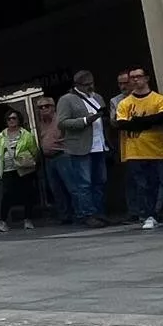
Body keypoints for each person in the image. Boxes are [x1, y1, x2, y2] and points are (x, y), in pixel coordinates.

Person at [115, 66, 163, 229]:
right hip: (135, 151)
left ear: (146, 78)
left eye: (139, 76)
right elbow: (121, 124)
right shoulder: (124, 103)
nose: (135, 80)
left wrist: (137, 123)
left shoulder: (159, 99)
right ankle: (150, 215)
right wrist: (148, 122)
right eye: (132, 78)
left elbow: (162, 118)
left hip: (158, 149)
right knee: (143, 186)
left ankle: (161, 212)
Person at [57, 70, 112, 227]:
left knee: (100, 181)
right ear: (77, 85)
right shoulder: (67, 100)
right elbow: (62, 122)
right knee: (84, 183)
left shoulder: (97, 97)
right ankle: (88, 214)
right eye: (86, 85)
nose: (90, 87)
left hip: (99, 145)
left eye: (92, 83)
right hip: (81, 147)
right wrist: (85, 120)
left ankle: (100, 213)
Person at [0, 109, 39, 232]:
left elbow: (34, 150)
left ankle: (28, 219)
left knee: (27, 193)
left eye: (14, 118)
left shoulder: (26, 134)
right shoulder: (1, 136)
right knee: (7, 194)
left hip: (24, 168)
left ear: (19, 120)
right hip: (8, 169)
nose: (11, 121)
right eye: (9, 119)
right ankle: (2, 222)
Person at [35, 96, 73, 223]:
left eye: (47, 106)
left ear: (53, 107)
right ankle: (64, 216)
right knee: (55, 189)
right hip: (48, 159)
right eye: (40, 107)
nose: (44, 109)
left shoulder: (60, 119)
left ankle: (79, 214)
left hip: (62, 156)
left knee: (70, 186)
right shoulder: (41, 123)